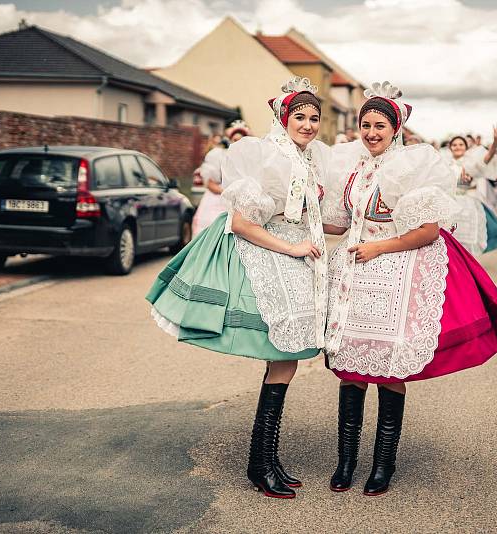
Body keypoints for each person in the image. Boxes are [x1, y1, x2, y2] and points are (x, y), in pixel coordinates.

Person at [322, 81, 497, 496]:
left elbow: (428, 231)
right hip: (354, 280)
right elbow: (340, 223)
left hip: (395, 276)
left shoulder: (412, 167)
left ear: (396, 130)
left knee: (390, 370)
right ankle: (346, 462)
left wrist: (379, 247)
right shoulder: (354, 169)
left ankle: (382, 465)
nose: (372, 133)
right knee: (350, 372)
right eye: (366, 125)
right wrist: (293, 219)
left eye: (380, 126)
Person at [145, 77, 330, 499]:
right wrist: (292, 248)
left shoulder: (307, 160)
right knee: (281, 358)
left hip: (295, 262)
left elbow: (312, 215)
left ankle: (266, 458)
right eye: (299, 116)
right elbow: (242, 223)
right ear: (283, 118)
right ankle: (259, 462)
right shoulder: (262, 156)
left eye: (314, 118)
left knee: (286, 361)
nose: (307, 124)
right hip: (270, 259)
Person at [443, 129, 497, 255]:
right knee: (451, 236)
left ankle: (468, 261)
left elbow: (488, 157)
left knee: (470, 234)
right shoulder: (444, 163)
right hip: (449, 203)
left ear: (466, 147)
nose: (457, 147)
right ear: (450, 148)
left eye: (461, 144)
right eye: (454, 145)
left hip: (469, 203)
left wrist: (495, 142)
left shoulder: (472, 163)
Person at [191, 120, 251, 236]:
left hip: (238, 204)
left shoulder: (250, 159)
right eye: (235, 140)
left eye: (242, 141)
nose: (238, 144)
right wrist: (229, 192)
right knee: (213, 232)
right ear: (230, 141)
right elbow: (209, 183)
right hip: (217, 200)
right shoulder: (218, 156)